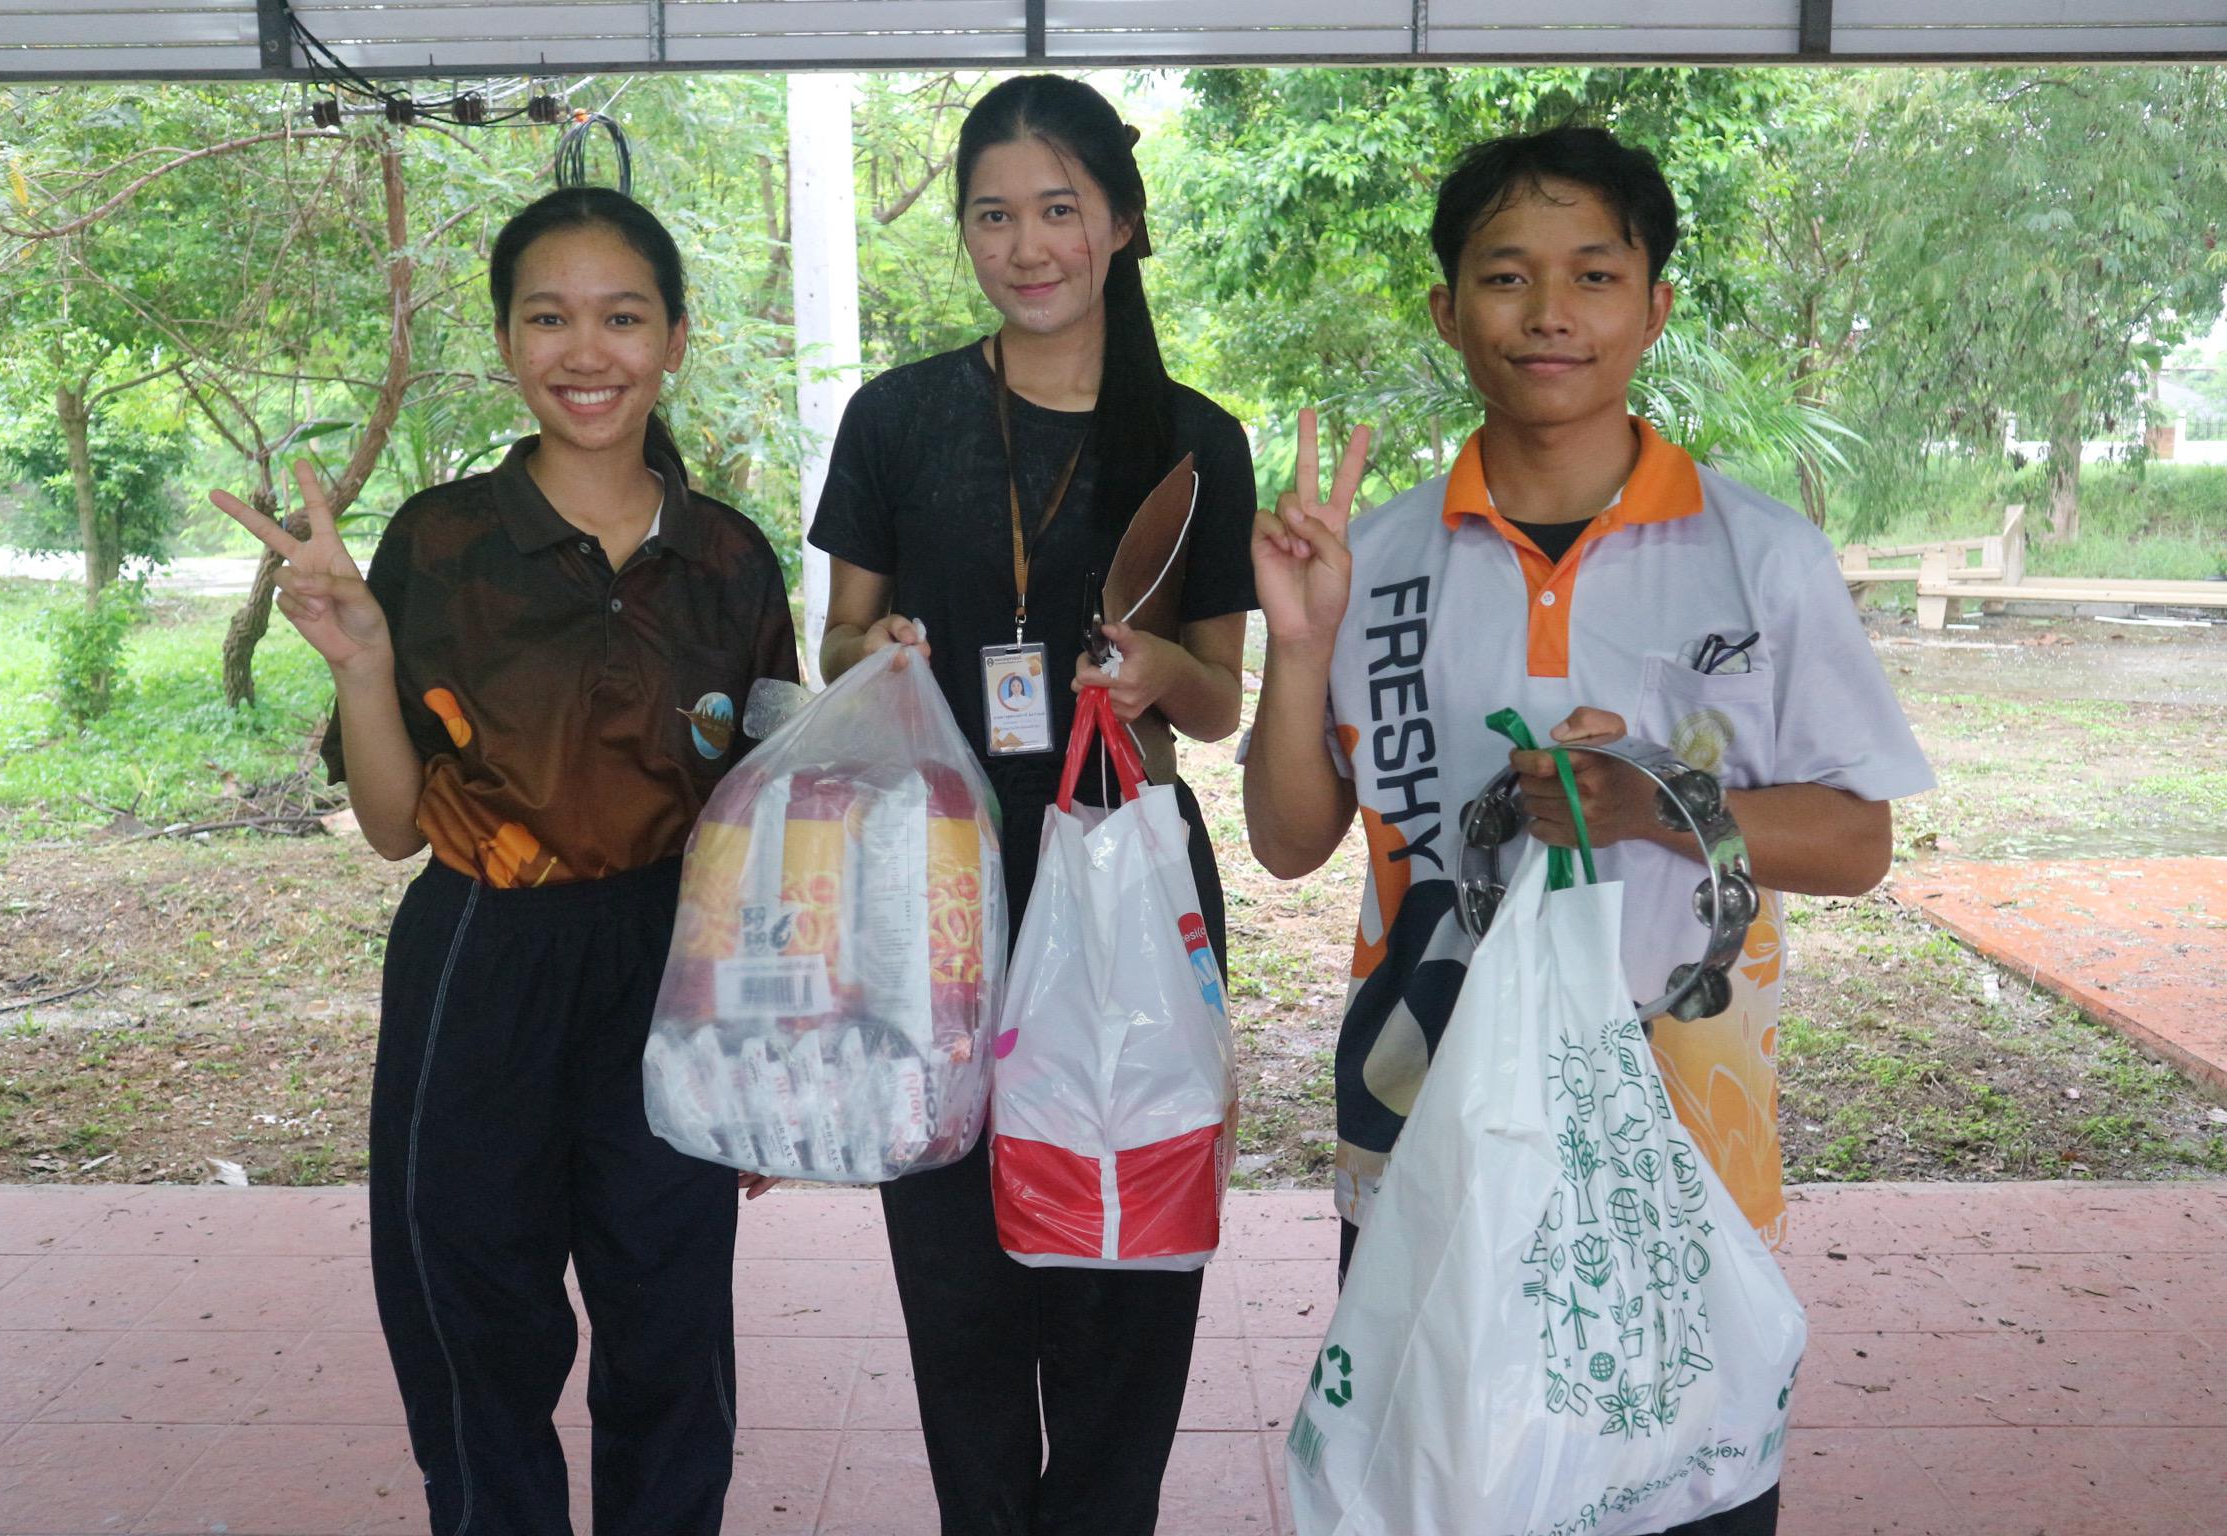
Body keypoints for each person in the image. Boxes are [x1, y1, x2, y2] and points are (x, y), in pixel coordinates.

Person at [1242, 125, 1932, 1536]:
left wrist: (1666, 812)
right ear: (1447, 311)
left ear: (1655, 304)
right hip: (1430, 1127)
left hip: (1682, 1136)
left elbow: (1857, 844)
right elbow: (1289, 841)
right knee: (1440, 1490)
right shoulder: (1378, 556)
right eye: (1505, 275)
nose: (1550, 311)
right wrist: (1298, 652)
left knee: (1681, 1495)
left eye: (1595, 273)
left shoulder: (1758, 556)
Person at [211, 185, 798, 1534]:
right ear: (503, 340)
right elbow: (391, 821)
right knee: (475, 1314)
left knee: (671, 1324)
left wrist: (755, 1044)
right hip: (483, 956)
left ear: (677, 340)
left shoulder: (728, 561)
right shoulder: (444, 541)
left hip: (669, 968)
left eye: (621, 317)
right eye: (549, 317)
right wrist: (364, 663)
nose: (584, 352)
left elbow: (759, 823)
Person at [808, 73, 1257, 1536]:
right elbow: (836, 642)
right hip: (935, 878)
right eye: (993, 216)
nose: (1027, 245)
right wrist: (870, 657)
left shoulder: (1193, 444)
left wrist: (1155, 670)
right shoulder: (898, 418)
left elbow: (1222, 700)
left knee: (1126, 1248)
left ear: (1122, 223)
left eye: (1059, 209)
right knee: (958, 1277)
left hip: (1126, 873)